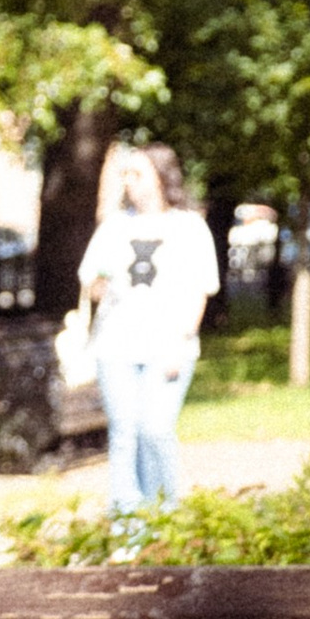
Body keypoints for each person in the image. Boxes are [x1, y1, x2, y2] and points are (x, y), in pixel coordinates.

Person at [77, 144, 220, 526]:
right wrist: (102, 286)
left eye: (138, 174)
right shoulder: (114, 227)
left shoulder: (188, 226)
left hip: (168, 347)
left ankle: (166, 519)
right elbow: (91, 283)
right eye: (126, 174)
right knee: (124, 433)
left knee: (155, 429)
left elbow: (200, 290)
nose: (130, 183)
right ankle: (128, 527)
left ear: (161, 177)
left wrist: (182, 341)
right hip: (116, 347)